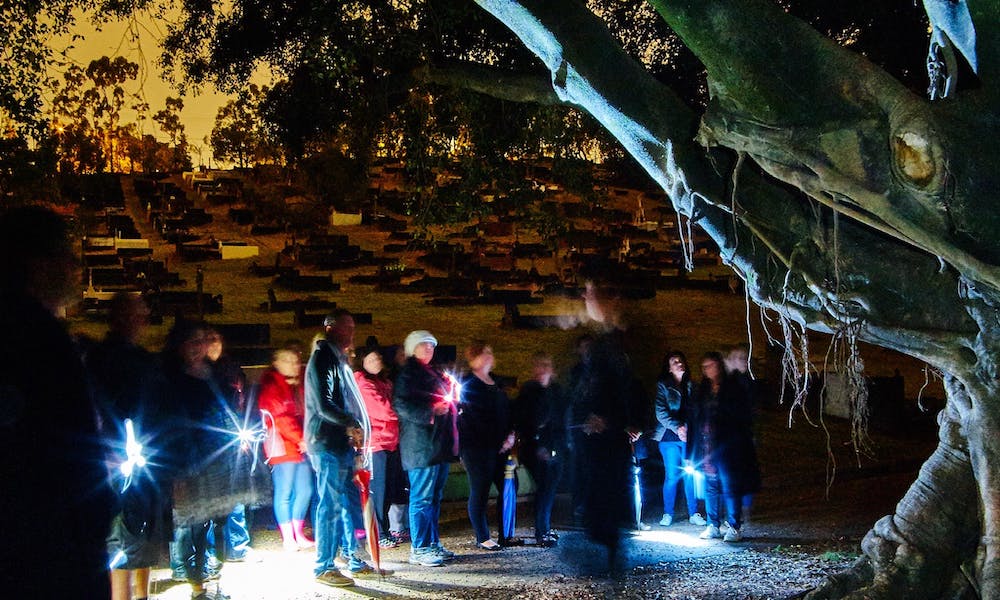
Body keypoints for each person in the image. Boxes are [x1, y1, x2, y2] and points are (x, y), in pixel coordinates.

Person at [0, 207, 116, 598]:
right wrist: (97, 509)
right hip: (50, 552)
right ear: (37, 263)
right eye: (65, 254)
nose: (74, 265)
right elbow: (65, 445)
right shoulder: (36, 339)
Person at [164, 320, 260, 600]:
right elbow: (173, 423)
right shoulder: (174, 378)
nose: (198, 347)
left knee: (218, 521)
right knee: (193, 525)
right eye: (192, 341)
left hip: (219, 459)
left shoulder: (215, 373)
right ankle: (197, 586)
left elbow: (227, 410)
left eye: (201, 341)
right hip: (191, 460)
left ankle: (216, 578)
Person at [87, 293, 167, 600]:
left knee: (144, 531)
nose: (142, 320)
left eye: (143, 314)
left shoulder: (141, 358)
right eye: (136, 314)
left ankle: (141, 595)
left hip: (144, 459)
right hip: (117, 460)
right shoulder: (102, 358)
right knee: (120, 538)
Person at [305, 309, 383, 586]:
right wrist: (351, 423)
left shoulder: (339, 361)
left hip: (341, 443)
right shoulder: (323, 359)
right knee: (331, 503)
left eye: (352, 327)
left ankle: (351, 555)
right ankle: (324, 565)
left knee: (347, 502)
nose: (350, 333)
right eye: (344, 327)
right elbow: (323, 404)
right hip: (326, 442)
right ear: (329, 328)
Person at [575, 280, 643, 570]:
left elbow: (624, 389)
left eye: (590, 291)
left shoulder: (613, 344)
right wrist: (585, 418)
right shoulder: (601, 344)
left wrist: (612, 420)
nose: (583, 297)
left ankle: (610, 553)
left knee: (608, 496)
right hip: (596, 443)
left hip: (609, 442)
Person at [393, 330, 459, 567]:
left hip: (436, 445)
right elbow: (400, 404)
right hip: (420, 446)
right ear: (413, 349)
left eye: (431, 346)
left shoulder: (434, 372)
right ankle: (419, 548)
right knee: (421, 498)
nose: (428, 349)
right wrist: (431, 412)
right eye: (423, 346)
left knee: (434, 498)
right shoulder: (408, 374)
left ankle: (432, 543)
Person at [690, 352, 761, 543]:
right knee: (710, 485)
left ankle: (734, 525)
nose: (708, 370)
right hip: (707, 445)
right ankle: (713, 524)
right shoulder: (703, 390)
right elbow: (696, 417)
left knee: (730, 485)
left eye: (712, 365)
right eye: (705, 367)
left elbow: (741, 416)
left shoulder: (732, 388)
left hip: (728, 446)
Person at [458, 342, 516, 551]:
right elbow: (470, 418)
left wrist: (511, 435)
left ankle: (505, 533)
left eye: (491, 352)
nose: (491, 356)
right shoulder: (469, 384)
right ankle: (482, 536)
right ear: (475, 357)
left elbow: (507, 411)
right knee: (480, 489)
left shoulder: (497, 383)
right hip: (477, 447)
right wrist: (494, 440)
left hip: (500, 447)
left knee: (508, 487)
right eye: (486, 352)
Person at [257, 344, 315, 551]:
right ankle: (288, 536)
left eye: (295, 360)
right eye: (287, 360)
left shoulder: (298, 385)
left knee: (305, 490)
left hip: (301, 445)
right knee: (285, 491)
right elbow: (280, 417)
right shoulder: (272, 386)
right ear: (276, 362)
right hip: (283, 446)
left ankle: (298, 531)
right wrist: (301, 439)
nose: (293, 364)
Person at [205, 329, 255, 563]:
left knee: (236, 497)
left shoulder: (230, 369)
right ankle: (211, 551)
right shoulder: (201, 374)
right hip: (210, 445)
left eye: (216, 340)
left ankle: (237, 545)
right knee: (210, 501)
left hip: (231, 441)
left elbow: (238, 403)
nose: (213, 345)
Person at [354, 337, 409, 549]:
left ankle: (384, 528)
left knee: (389, 490)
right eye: (372, 359)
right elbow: (383, 410)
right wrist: (403, 411)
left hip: (390, 442)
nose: (377, 362)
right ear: (363, 362)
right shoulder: (364, 383)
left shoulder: (384, 382)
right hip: (376, 443)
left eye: (378, 358)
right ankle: (377, 531)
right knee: (379, 490)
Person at [514, 352, 568, 547]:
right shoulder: (528, 392)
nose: (543, 369)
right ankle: (541, 532)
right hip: (535, 448)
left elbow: (561, 419)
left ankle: (544, 528)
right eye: (540, 365)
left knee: (550, 488)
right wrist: (537, 445)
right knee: (544, 487)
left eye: (547, 365)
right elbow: (524, 421)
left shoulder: (557, 391)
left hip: (556, 446)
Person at [653, 351, 706, 527]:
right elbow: (661, 412)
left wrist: (690, 428)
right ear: (669, 368)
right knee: (672, 475)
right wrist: (678, 427)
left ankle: (694, 513)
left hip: (688, 437)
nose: (679, 363)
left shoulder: (692, 386)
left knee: (690, 474)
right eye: (674, 361)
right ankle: (668, 513)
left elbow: (697, 410)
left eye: (681, 360)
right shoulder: (663, 386)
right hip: (669, 437)